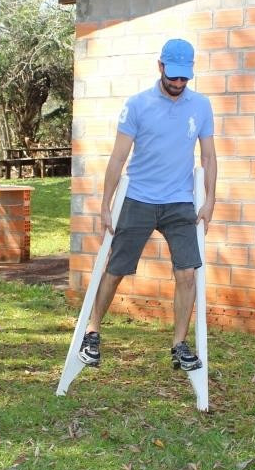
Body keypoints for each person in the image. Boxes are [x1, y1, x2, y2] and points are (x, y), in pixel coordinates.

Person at [78, 38, 217, 372]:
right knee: (116, 269)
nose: (179, 83)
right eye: (173, 76)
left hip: (180, 202)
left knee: (187, 272)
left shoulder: (201, 106)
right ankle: (93, 332)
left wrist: (210, 199)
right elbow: (118, 157)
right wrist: (106, 204)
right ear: (160, 67)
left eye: (184, 77)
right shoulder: (137, 105)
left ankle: (179, 345)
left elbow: (209, 157)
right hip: (138, 198)